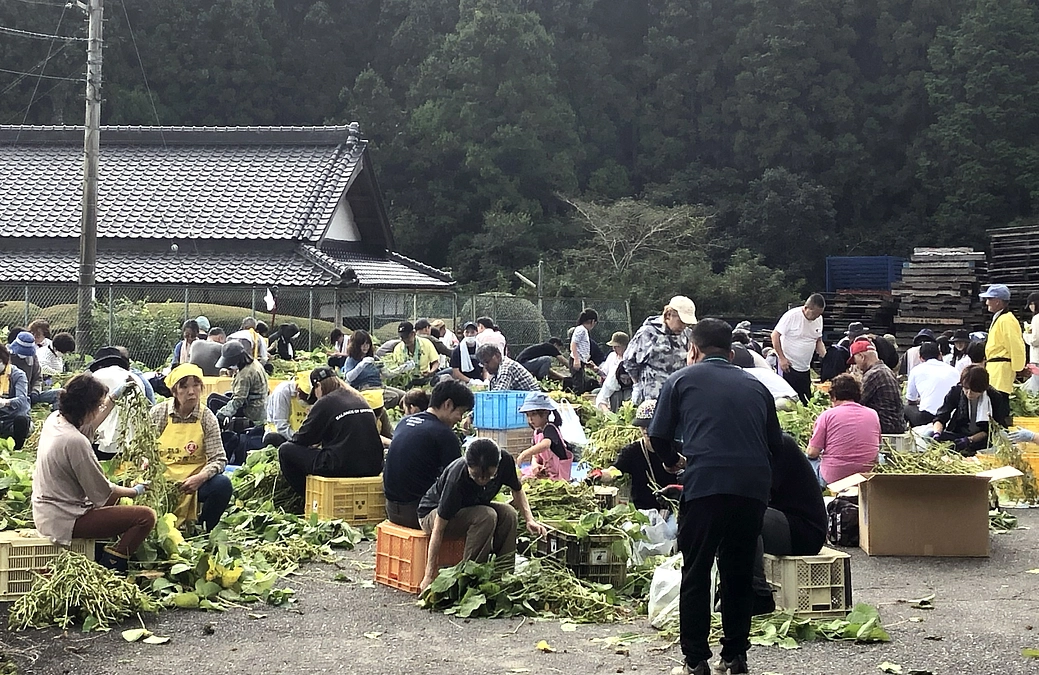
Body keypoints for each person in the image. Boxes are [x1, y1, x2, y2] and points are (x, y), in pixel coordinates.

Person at [648, 318, 782, 675]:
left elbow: (657, 436)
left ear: (694, 349)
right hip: (751, 489)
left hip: (706, 484)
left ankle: (696, 660)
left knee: (697, 571)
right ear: (732, 351)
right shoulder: (756, 386)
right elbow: (775, 443)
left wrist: (673, 461)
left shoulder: (680, 380)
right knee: (738, 573)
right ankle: (735, 656)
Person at [31, 373, 156, 573]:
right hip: (65, 519)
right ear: (85, 407)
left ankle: (99, 551)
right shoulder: (74, 442)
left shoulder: (55, 420)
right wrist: (135, 491)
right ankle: (111, 566)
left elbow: (90, 423)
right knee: (146, 517)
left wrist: (112, 399)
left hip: (47, 510)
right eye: (97, 405)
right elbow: (103, 490)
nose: (100, 408)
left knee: (114, 503)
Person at [417, 439, 547, 591]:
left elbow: (517, 489)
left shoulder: (505, 461)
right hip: (431, 515)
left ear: (497, 466)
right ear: (468, 466)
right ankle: (471, 579)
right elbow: (439, 527)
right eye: (476, 475)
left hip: (471, 509)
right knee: (486, 515)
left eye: (489, 476)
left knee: (509, 513)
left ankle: (503, 577)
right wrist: (429, 574)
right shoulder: (456, 477)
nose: (482, 480)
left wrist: (529, 519)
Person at [750, 433, 828, 616]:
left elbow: (757, 493)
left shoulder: (777, 445)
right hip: (781, 521)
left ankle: (756, 592)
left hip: (804, 529)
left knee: (742, 516)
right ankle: (729, 588)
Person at [277, 367, 384, 497]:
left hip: (341, 466)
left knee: (286, 450)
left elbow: (301, 439)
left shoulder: (325, 402)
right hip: (374, 465)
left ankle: (307, 497)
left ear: (318, 386)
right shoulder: (359, 398)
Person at [150, 364, 232, 530]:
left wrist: (200, 478)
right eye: (184, 386)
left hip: (193, 483)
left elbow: (219, 458)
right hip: (162, 481)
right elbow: (145, 451)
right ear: (174, 391)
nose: (191, 391)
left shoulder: (207, 417)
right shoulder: (159, 413)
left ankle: (203, 529)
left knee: (222, 485)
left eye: (196, 385)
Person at [383, 381, 474, 528]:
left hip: (391, 510)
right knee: (485, 515)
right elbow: (458, 482)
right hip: (416, 514)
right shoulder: (445, 435)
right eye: (461, 412)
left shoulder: (404, 422)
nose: (459, 419)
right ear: (448, 404)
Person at [596, 399, 679, 511]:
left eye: (649, 426)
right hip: (644, 512)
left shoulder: (677, 449)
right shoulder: (633, 451)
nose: (645, 430)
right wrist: (602, 474)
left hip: (675, 510)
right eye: (642, 426)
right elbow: (616, 471)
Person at [806, 374, 880, 485]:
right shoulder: (873, 414)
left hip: (834, 478)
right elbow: (877, 448)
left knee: (806, 460)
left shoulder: (827, 415)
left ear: (834, 396)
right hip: (866, 476)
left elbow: (812, 452)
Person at [623, 295, 697, 404]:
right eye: (681, 321)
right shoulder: (648, 333)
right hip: (653, 396)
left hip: (679, 394)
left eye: (686, 323)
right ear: (668, 315)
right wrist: (637, 384)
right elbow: (629, 361)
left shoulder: (687, 335)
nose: (683, 325)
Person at [86, 346, 154, 459]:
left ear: (99, 364)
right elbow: (149, 404)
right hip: (133, 441)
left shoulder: (96, 377)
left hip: (102, 442)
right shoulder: (135, 377)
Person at [929, 365, 1011, 456]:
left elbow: (993, 428)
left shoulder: (994, 397)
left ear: (983, 388)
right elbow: (941, 416)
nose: (969, 393)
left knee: (1002, 439)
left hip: (983, 439)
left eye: (974, 390)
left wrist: (970, 439)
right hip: (959, 434)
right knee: (929, 434)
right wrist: (937, 433)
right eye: (966, 389)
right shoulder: (956, 391)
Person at [770, 294, 826, 405]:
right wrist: (782, 358)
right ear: (806, 308)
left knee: (806, 400)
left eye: (819, 314)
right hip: (788, 365)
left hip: (805, 367)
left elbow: (818, 341)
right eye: (814, 313)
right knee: (788, 400)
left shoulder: (819, 319)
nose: (816, 317)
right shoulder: (791, 316)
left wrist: (825, 357)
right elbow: (775, 335)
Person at [979, 283, 1026, 405]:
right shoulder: (1001, 319)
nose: (987, 302)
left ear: (998, 301)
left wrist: (1019, 368)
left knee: (999, 404)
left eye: (989, 299)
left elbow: (1016, 345)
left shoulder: (1006, 320)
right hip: (995, 368)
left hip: (1001, 369)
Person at [849, 339, 905, 434]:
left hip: (885, 427)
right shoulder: (886, 370)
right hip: (897, 424)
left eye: (855, 361)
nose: (856, 365)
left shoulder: (873, 374)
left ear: (862, 357)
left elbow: (856, 403)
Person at [340, 329, 406, 409]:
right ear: (356, 345)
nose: (365, 347)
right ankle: (377, 413)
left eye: (367, 343)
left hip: (379, 385)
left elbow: (387, 374)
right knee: (393, 397)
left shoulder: (374, 358)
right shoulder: (351, 359)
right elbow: (349, 378)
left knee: (405, 396)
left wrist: (403, 368)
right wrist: (362, 365)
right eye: (362, 344)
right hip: (364, 388)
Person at [210, 340, 268, 428]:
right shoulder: (254, 364)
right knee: (225, 395)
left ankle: (215, 427)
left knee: (213, 400)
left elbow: (238, 400)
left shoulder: (245, 374)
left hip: (251, 410)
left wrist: (223, 413)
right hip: (259, 405)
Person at [515, 392, 573, 481]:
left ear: (545, 413)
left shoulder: (550, 428)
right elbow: (535, 455)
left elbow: (545, 445)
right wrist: (535, 465)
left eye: (533, 414)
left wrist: (524, 454)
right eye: (528, 415)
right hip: (546, 474)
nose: (530, 419)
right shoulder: (537, 432)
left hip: (559, 476)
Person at [905, 341, 961, 426]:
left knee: (906, 408)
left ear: (920, 358)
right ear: (940, 355)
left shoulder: (916, 370)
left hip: (928, 416)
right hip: (951, 415)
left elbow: (911, 399)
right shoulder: (954, 370)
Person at [264, 372, 314, 447]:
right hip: (283, 434)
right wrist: (300, 440)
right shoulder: (282, 393)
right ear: (298, 390)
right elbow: (281, 426)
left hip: (302, 433)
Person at [386, 321, 440, 387]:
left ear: (413, 333)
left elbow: (436, 362)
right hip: (406, 382)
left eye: (407, 337)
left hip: (424, 379)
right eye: (402, 337)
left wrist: (431, 372)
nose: (405, 340)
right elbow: (395, 367)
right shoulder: (398, 348)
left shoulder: (426, 343)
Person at [0, 344, 31, 450]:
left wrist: (5, 402)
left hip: (13, 418)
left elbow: (22, 400)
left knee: (21, 420)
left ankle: (18, 448)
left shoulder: (18, 375)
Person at [475, 344, 540, 391]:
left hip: (536, 405)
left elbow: (499, 393)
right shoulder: (496, 371)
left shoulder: (507, 367)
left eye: (487, 362)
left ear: (498, 356)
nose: (485, 366)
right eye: (483, 364)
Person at [570, 308, 601, 383]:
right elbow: (573, 344)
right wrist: (576, 360)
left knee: (581, 382)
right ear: (593, 321)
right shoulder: (581, 330)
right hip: (577, 360)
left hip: (581, 360)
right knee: (578, 384)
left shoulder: (584, 330)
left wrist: (585, 361)